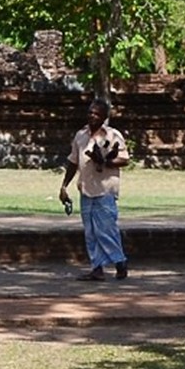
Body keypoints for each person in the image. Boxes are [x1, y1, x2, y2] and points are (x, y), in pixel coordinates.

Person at [59, 96, 129, 281]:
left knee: (106, 229)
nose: (92, 116)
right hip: (86, 188)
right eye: (90, 112)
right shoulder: (80, 136)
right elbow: (73, 162)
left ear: (104, 116)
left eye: (97, 113)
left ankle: (120, 262)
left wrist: (104, 161)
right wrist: (64, 186)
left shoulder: (113, 135)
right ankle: (97, 268)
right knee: (90, 232)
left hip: (105, 189)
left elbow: (124, 159)